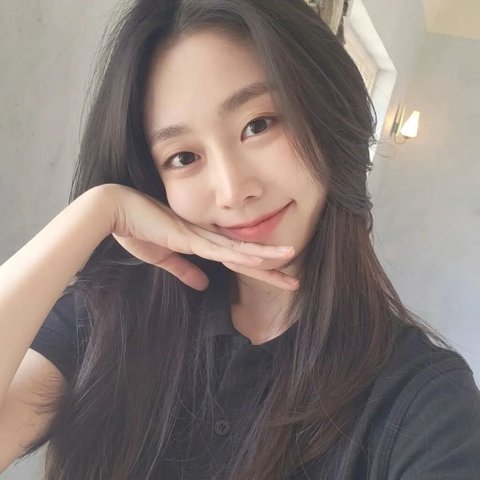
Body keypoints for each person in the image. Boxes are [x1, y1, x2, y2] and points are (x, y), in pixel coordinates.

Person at [0, 0, 479, 478]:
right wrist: (96, 212)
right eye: (183, 157)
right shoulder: (107, 317)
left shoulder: (422, 401)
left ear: (325, 113)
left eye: (258, 125)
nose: (233, 191)